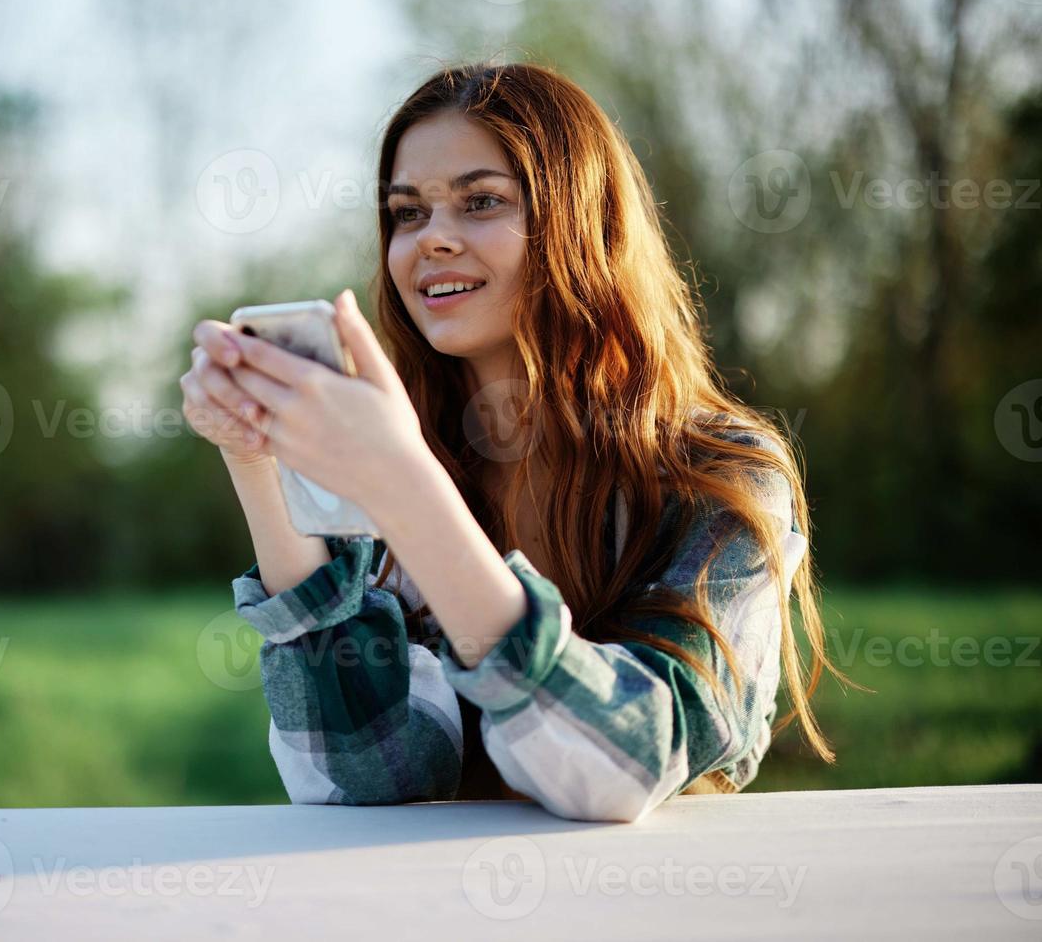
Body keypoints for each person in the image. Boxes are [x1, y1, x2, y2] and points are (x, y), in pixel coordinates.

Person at [178, 61, 850, 822]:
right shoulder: (387, 458)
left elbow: (622, 769)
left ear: (581, 224)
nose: (431, 241)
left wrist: (405, 488)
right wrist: (255, 458)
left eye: (480, 202)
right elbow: (370, 776)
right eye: (407, 213)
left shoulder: (721, 477)